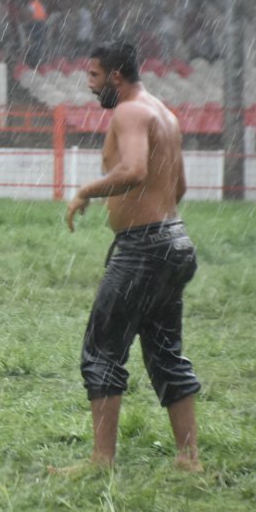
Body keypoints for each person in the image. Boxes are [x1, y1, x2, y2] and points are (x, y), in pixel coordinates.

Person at [54, 41, 202, 473]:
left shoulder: (131, 112)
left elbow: (134, 170)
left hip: (143, 248)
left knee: (101, 350)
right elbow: (179, 186)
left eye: (95, 77)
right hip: (173, 242)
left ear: (116, 76)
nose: (90, 86)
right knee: (165, 351)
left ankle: (101, 461)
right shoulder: (165, 114)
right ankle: (188, 459)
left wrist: (86, 191)